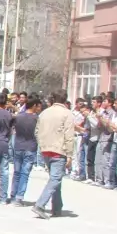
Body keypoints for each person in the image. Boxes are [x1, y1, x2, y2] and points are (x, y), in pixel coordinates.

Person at [33, 92, 76, 220]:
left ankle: (57, 207)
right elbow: (69, 135)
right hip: (59, 150)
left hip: (45, 149)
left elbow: (36, 131)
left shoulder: (45, 112)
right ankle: (40, 204)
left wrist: (42, 144)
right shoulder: (67, 113)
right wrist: (70, 154)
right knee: (55, 179)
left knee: (55, 179)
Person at [10, 98, 42, 206]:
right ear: (34, 106)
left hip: (18, 146)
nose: (39, 109)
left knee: (17, 172)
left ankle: (13, 195)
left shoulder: (18, 116)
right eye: (38, 106)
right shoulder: (37, 119)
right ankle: (19, 198)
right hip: (30, 147)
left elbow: (13, 128)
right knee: (25, 174)